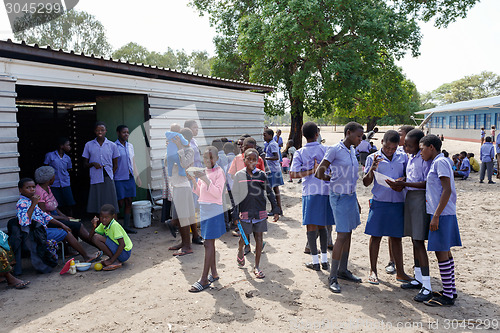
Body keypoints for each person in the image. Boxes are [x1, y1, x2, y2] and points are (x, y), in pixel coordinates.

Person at [315, 122, 364, 293]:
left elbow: (351, 177)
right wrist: (332, 180)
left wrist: (356, 200)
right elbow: (319, 173)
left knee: (348, 232)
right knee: (342, 235)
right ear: (348, 133)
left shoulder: (352, 150)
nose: (360, 139)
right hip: (339, 197)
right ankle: (332, 276)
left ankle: (343, 270)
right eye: (358, 136)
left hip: (350, 196)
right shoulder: (334, 149)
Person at [387, 129, 433, 302]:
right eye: (404, 144)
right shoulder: (412, 158)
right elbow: (411, 175)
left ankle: (427, 286)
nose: (405, 148)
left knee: (419, 241)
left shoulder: (424, 159)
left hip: (419, 200)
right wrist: (402, 179)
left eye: (409, 145)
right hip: (410, 198)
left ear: (420, 146)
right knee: (414, 240)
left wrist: (405, 183)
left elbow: (427, 182)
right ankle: (419, 278)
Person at [363, 130, 412, 285]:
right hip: (380, 201)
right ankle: (373, 271)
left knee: (396, 238)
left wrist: (402, 180)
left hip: (398, 201)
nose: (390, 151)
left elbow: (408, 176)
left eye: (393, 148)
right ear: (382, 142)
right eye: (387, 147)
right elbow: (365, 182)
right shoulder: (373, 157)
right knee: (375, 236)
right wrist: (372, 169)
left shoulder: (403, 157)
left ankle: (400, 272)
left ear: (398, 145)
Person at [419, 135, 461, 307]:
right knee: (446, 252)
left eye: (422, 148)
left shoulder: (439, 162)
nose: (420, 152)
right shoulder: (439, 161)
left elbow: (446, 190)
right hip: (443, 212)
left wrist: (436, 215)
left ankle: (448, 296)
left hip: (442, 214)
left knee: (441, 253)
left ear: (431, 147)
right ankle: (450, 290)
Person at [16, 178, 101, 263]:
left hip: (42, 230)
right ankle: (86, 256)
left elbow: (45, 216)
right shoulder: (22, 203)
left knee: (65, 229)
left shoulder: (31, 201)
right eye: (28, 188)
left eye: (33, 187)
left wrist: (61, 224)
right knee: (66, 233)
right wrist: (34, 203)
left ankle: (86, 254)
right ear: (20, 190)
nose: (32, 189)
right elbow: (24, 222)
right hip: (34, 234)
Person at [290, 121, 333, 271]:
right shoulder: (326, 149)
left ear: (303, 135)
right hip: (326, 191)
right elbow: (334, 170)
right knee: (323, 225)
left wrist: (310, 171)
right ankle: (325, 260)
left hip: (309, 192)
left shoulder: (300, 152)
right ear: (317, 134)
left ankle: (315, 261)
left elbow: (293, 174)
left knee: (310, 227)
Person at [232, 148, 280, 279]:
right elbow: (234, 195)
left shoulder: (261, 175)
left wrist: (275, 209)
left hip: (260, 212)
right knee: (244, 238)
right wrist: (235, 213)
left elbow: (269, 192)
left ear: (258, 161)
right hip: (245, 213)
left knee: (259, 238)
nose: (252, 162)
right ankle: (240, 249)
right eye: (249, 159)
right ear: (244, 160)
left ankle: (257, 266)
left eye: (254, 160)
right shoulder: (239, 175)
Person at [189, 147, 226, 292]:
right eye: (205, 158)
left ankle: (204, 279)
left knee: (208, 243)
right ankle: (214, 273)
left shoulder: (219, 172)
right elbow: (200, 192)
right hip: (204, 209)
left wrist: (204, 179)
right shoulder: (204, 172)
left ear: (216, 159)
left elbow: (217, 193)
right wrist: (194, 180)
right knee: (209, 242)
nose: (208, 161)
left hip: (214, 210)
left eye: (211, 158)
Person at [34, 166, 96, 249]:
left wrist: (64, 216)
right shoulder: (39, 191)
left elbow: (54, 206)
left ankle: (95, 244)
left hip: (54, 216)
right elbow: (44, 215)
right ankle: (96, 245)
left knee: (73, 222)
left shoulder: (47, 187)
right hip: (48, 220)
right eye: (53, 175)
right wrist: (62, 218)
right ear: (49, 179)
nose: (54, 177)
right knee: (78, 226)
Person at [166, 128, 198, 255]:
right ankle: (184, 242)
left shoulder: (189, 150)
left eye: (177, 138)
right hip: (176, 186)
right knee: (180, 216)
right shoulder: (174, 150)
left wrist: (179, 147)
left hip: (183, 186)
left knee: (184, 217)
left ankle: (187, 246)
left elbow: (185, 164)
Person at [82, 121, 120, 213]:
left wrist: (111, 174)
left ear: (105, 131)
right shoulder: (89, 145)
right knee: (97, 201)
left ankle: (112, 223)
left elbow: (115, 165)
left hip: (108, 177)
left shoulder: (112, 145)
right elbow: (85, 164)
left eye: (102, 130)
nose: (100, 132)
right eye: (97, 130)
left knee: (110, 201)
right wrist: (93, 164)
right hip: (95, 177)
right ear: (94, 131)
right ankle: (99, 223)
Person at [115, 125, 142, 234]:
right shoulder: (114, 146)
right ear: (118, 133)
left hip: (129, 177)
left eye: (127, 132)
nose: (126, 134)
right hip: (119, 178)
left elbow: (133, 162)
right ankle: (115, 228)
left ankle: (126, 226)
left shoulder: (130, 146)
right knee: (119, 203)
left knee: (129, 202)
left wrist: (137, 176)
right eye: (123, 132)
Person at [89, 204, 133, 271]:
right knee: (95, 238)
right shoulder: (103, 224)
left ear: (113, 216)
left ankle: (115, 261)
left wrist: (111, 260)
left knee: (97, 237)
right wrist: (94, 227)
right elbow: (90, 238)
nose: (103, 219)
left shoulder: (114, 225)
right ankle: (114, 259)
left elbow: (122, 244)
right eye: (101, 217)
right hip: (120, 252)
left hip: (124, 253)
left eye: (106, 217)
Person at [43, 137, 75, 215]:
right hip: (54, 183)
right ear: (61, 146)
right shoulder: (50, 155)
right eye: (68, 145)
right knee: (56, 203)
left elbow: (69, 169)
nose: (69, 147)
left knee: (69, 202)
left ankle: (71, 219)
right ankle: (59, 220)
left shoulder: (67, 158)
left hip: (65, 183)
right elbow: (45, 168)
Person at [264, 128, 284, 215]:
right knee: (275, 189)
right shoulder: (269, 144)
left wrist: (265, 158)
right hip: (274, 169)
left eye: (265, 135)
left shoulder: (272, 144)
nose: (263, 137)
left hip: (273, 170)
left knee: (271, 190)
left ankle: (275, 209)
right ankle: (279, 209)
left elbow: (276, 157)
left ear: (270, 136)